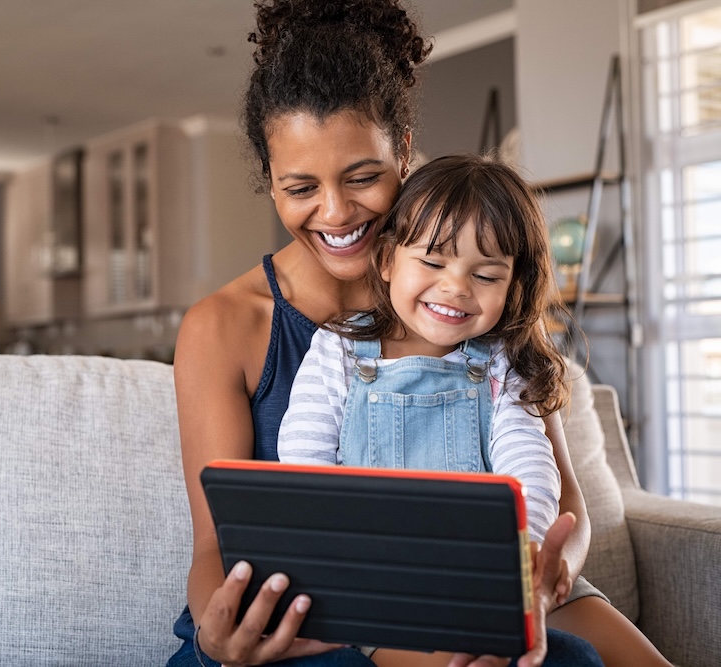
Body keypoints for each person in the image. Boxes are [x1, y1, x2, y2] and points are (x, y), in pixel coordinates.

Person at [167, 1, 616, 665]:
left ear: (402, 151)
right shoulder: (225, 325)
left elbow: (561, 498)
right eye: (300, 187)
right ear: (270, 182)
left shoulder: (470, 304)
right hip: (326, 603)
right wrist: (218, 630)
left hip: (498, 576)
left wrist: (540, 578)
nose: (337, 211)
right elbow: (213, 548)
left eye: (363, 176)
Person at [276, 154, 671, 667]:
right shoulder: (337, 351)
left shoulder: (504, 365)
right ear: (389, 259)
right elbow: (303, 472)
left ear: (511, 287)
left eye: (486, 274)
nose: (457, 287)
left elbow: (530, 467)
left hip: (506, 576)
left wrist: (524, 569)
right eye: (434, 263)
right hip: (390, 592)